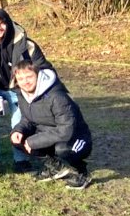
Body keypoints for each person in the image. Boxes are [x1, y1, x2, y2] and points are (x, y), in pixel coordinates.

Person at [0, 8, 53, 175]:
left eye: (2, 23)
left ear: (9, 23)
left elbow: (44, 69)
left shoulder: (25, 43)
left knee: (19, 120)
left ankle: (21, 160)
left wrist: (38, 91)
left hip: (17, 90)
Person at [10, 60, 92, 189]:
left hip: (76, 137)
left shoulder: (57, 97)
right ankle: (55, 167)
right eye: (20, 79)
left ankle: (81, 172)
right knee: (18, 139)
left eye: (29, 77)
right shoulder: (22, 95)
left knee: (63, 149)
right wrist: (18, 131)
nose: (25, 82)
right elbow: (27, 119)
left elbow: (66, 130)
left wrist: (35, 141)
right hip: (50, 135)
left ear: (38, 76)